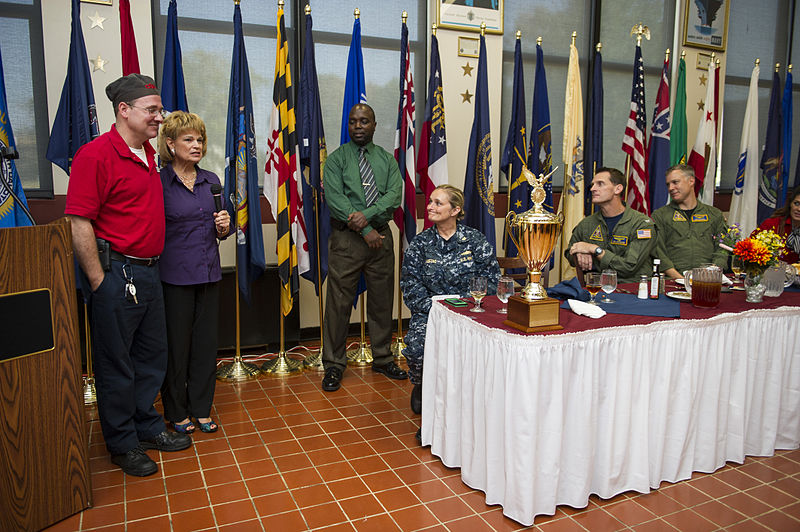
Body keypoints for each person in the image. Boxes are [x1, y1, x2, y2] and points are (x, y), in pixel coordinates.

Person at [65, 74, 191, 477]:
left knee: (151, 359)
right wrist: (98, 280)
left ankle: (148, 427)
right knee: (117, 364)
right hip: (116, 274)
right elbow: (78, 220)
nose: (160, 117)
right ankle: (122, 443)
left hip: (150, 273)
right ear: (124, 110)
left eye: (159, 109)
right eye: (152, 110)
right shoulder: (95, 155)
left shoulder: (150, 153)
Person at [321, 103, 406, 392]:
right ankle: (333, 364)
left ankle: (382, 358)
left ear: (374, 125)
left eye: (364, 121)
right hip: (347, 240)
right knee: (338, 303)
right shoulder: (335, 160)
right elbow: (336, 199)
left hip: (381, 239)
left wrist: (368, 218)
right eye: (354, 121)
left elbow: (395, 195)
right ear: (348, 125)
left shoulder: (386, 160)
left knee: (382, 301)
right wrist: (364, 229)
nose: (358, 126)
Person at [157, 111, 230, 435]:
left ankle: (201, 408)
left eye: (200, 139)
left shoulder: (211, 181)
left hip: (209, 274)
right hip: (174, 278)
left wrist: (224, 229)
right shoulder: (158, 182)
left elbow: (219, 231)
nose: (197, 145)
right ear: (170, 144)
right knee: (177, 348)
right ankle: (177, 410)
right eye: (188, 139)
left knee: (205, 346)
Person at [401, 185, 499, 421]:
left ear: (455, 210)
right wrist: (434, 309)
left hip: (470, 312)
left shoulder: (474, 239)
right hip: (431, 312)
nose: (430, 207)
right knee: (416, 346)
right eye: (431, 202)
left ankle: (470, 393)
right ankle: (421, 383)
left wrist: (466, 306)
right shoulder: (421, 243)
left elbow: (491, 277)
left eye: (437, 203)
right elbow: (410, 284)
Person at [565, 167, 656, 283]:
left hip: (632, 291)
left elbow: (629, 267)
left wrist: (595, 250)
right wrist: (579, 252)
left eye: (600, 184)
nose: (593, 189)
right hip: (597, 289)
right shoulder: (587, 223)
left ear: (618, 189)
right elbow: (569, 253)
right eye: (593, 185)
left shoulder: (641, 225)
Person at [651, 165, 728, 279]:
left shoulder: (714, 214)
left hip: (709, 280)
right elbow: (659, 253)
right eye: (668, 184)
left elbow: (722, 249)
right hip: (673, 282)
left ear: (691, 181)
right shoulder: (660, 216)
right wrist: (682, 280)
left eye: (675, 182)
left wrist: (711, 274)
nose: (671, 188)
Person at [755, 186, 800, 263]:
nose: (799, 209)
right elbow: (751, 249)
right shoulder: (772, 224)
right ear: (790, 204)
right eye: (796, 203)